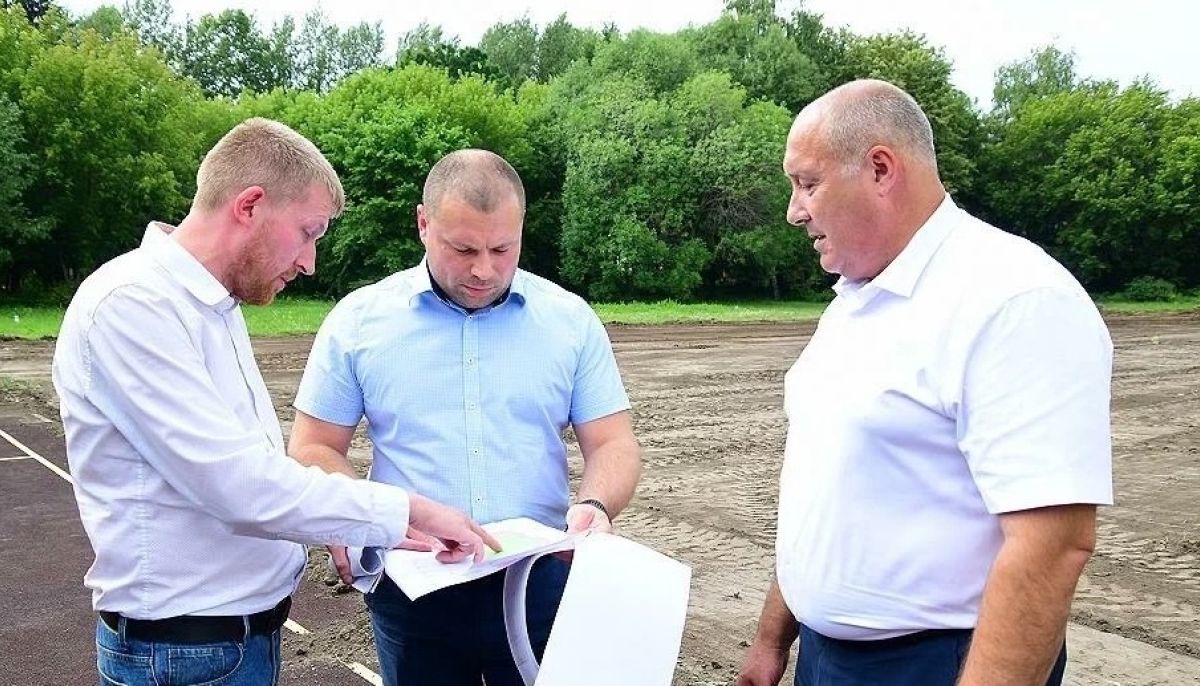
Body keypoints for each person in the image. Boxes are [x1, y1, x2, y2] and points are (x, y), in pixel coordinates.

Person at [52, 118, 498, 686]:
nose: (310, 262)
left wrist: (336, 514)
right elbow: (237, 487)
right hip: (184, 653)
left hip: (224, 646)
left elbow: (256, 467)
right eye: (308, 232)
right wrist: (404, 510)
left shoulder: (209, 304)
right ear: (249, 206)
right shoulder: (133, 305)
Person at [736, 80, 1113, 686]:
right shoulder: (856, 300)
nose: (794, 211)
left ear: (881, 169)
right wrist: (772, 638)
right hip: (827, 658)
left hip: (940, 663)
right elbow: (831, 487)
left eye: (807, 183)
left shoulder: (1015, 299)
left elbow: (1052, 545)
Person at [288, 148, 642, 686]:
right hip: (414, 585)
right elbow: (314, 445)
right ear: (423, 224)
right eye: (463, 249)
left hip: (539, 581)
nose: (484, 269)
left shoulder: (570, 321)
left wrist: (595, 505)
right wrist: (361, 514)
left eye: (503, 248)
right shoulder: (358, 321)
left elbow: (613, 442)